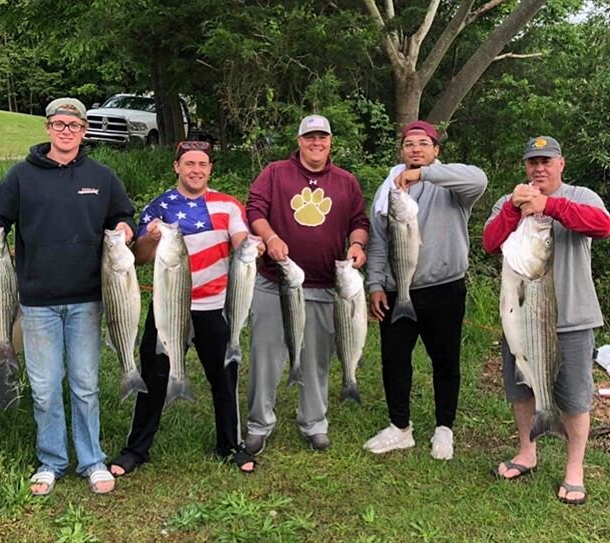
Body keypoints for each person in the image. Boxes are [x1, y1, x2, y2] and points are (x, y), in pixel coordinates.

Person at [0, 97, 136, 496]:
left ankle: (92, 459)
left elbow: (123, 216)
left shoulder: (101, 175)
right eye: (59, 124)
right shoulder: (21, 176)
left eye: (75, 125)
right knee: (45, 388)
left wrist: (125, 231)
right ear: (47, 128)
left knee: (85, 384)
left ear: (84, 131)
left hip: (88, 299)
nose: (67, 131)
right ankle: (51, 460)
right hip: (35, 302)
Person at [109, 140, 262, 477]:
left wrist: (251, 246)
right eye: (189, 163)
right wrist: (148, 237)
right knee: (152, 376)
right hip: (168, 308)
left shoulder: (227, 205)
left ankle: (230, 444)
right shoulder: (159, 206)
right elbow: (139, 258)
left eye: (203, 164)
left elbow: (240, 240)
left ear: (210, 169)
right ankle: (136, 449)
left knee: (224, 379)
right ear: (177, 167)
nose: (196, 170)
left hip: (215, 307)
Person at [483, 135, 610, 505]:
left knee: (574, 396)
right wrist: (514, 208)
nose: (539, 168)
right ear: (526, 165)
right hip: (520, 317)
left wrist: (548, 206)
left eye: (546, 161)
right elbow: (490, 242)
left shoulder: (581, 196)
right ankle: (527, 451)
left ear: (561, 164)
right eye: (532, 162)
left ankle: (575, 469)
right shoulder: (510, 201)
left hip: (573, 318)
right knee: (522, 387)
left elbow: (602, 226)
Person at [244, 114, 369, 455]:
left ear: (331, 141)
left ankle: (314, 422)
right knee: (265, 356)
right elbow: (254, 208)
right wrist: (269, 237)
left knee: (316, 359)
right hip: (276, 281)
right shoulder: (275, 173)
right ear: (299, 141)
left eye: (323, 137)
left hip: (327, 287)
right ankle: (258, 424)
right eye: (310, 137)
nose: (317, 143)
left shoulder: (346, 181)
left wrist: (357, 245)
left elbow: (359, 221)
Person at [364, 120, 487, 460]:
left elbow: (480, 178)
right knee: (394, 360)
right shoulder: (388, 188)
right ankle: (399, 427)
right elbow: (377, 240)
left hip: (444, 288)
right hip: (396, 288)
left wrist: (424, 174)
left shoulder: (452, 185)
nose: (415, 149)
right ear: (401, 151)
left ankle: (444, 428)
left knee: (445, 360)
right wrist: (375, 283)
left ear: (436, 150)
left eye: (423, 143)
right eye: (409, 144)